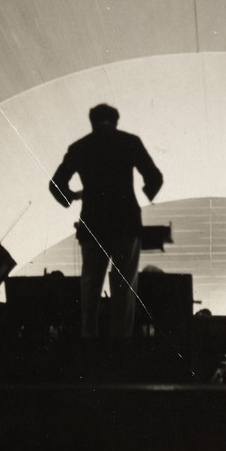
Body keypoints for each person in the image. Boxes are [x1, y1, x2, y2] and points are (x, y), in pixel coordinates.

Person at [49, 104, 163, 338]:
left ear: (91, 122)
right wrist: (146, 192)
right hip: (126, 223)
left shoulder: (79, 147)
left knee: (90, 287)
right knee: (124, 288)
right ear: (116, 121)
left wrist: (73, 196)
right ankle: (120, 350)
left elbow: (56, 184)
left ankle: (89, 344)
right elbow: (155, 177)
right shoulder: (130, 142)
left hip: (92, 225)